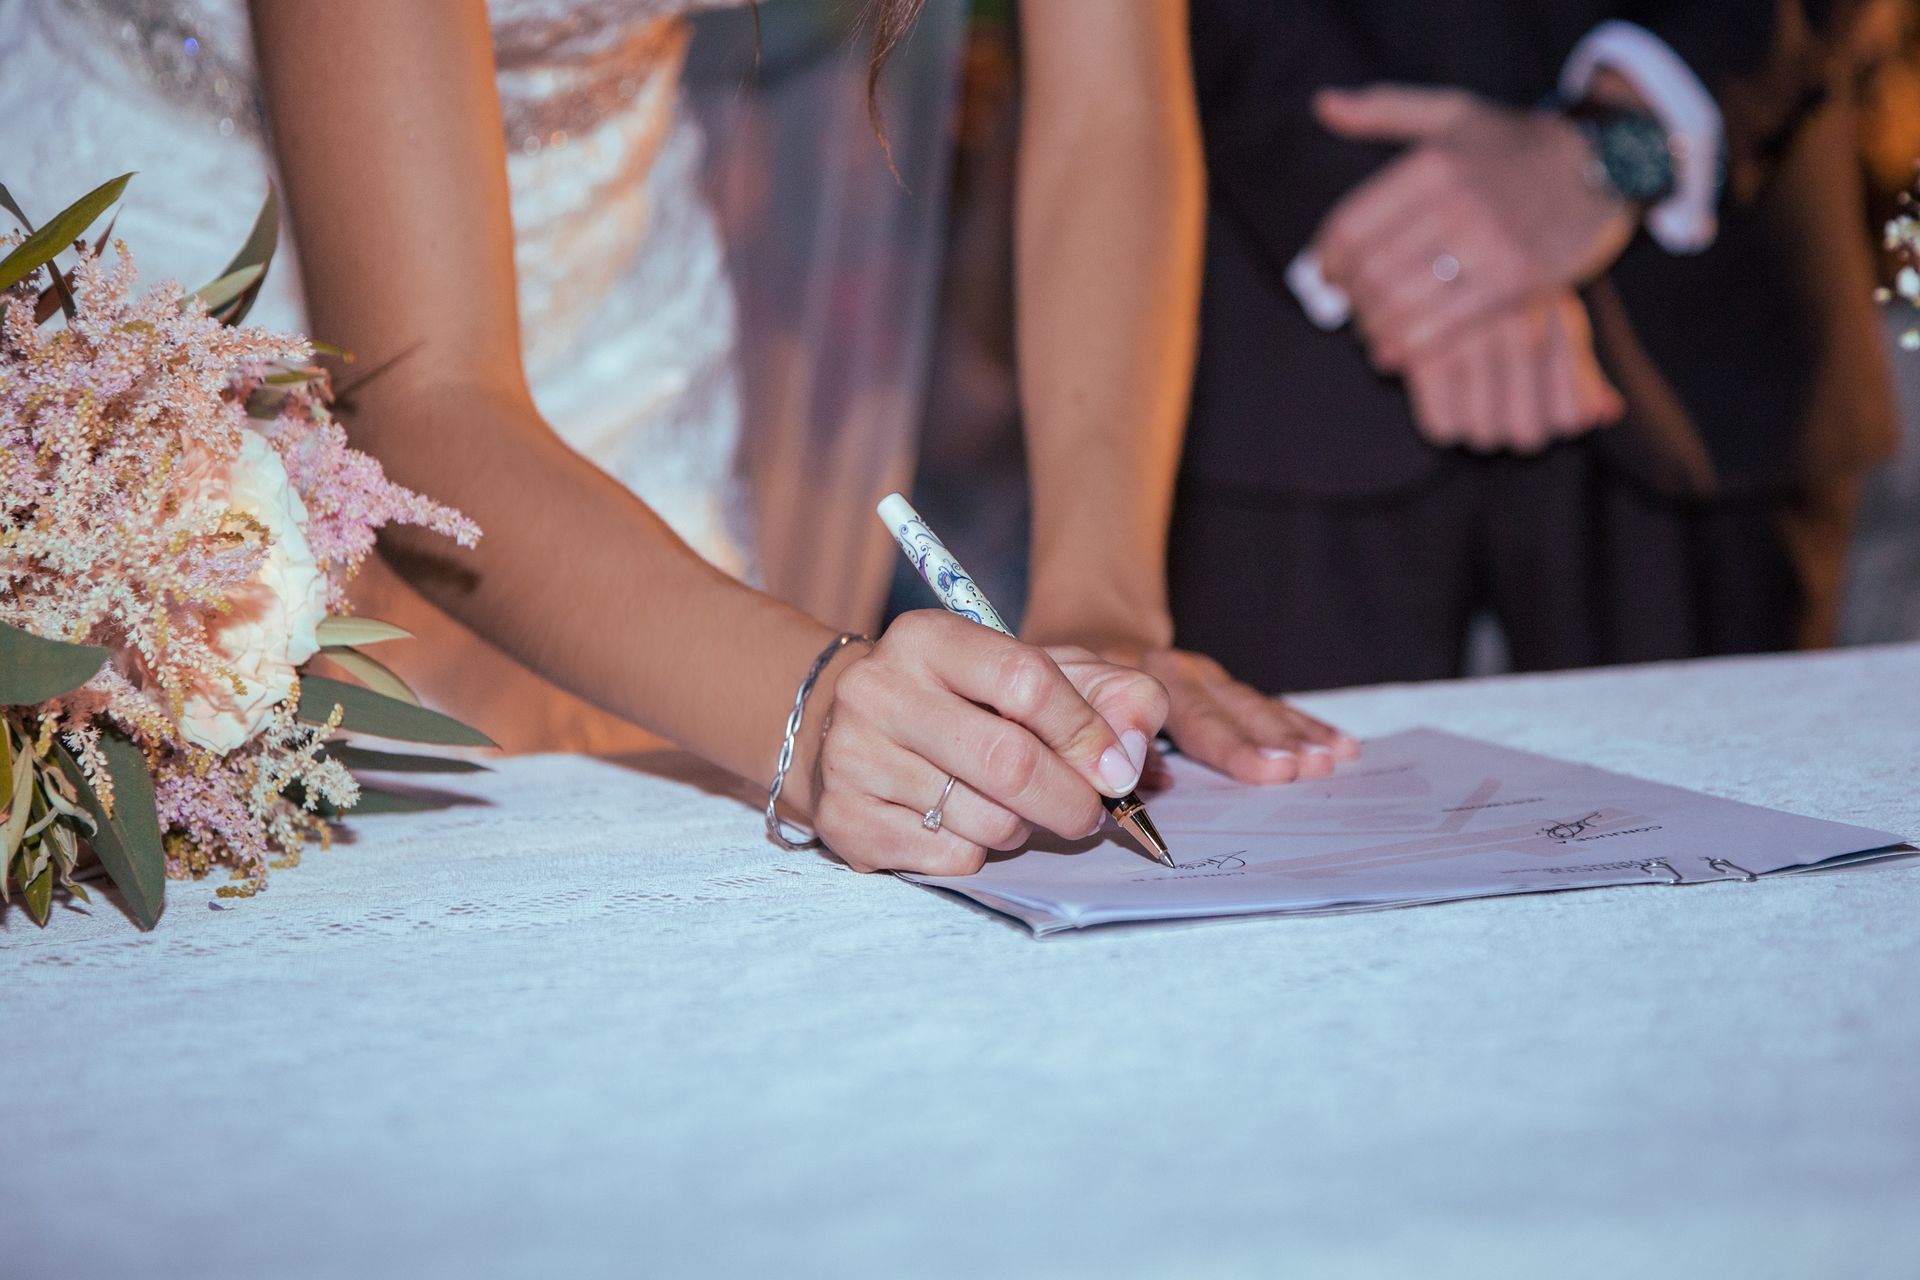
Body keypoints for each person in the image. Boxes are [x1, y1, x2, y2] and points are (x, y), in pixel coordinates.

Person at [0, 0, 1353, 876]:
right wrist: (809, 708)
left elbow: (1108, 112)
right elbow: (421, 396)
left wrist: (1102, 606)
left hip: (620, 332)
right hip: (163, 303)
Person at [1165, 0, 1901, 693]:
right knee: (1286, 821)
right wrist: (1388, 213)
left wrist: (1623, 136)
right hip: (1274, 348)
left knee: (1744, 814)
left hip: (1709, 329)